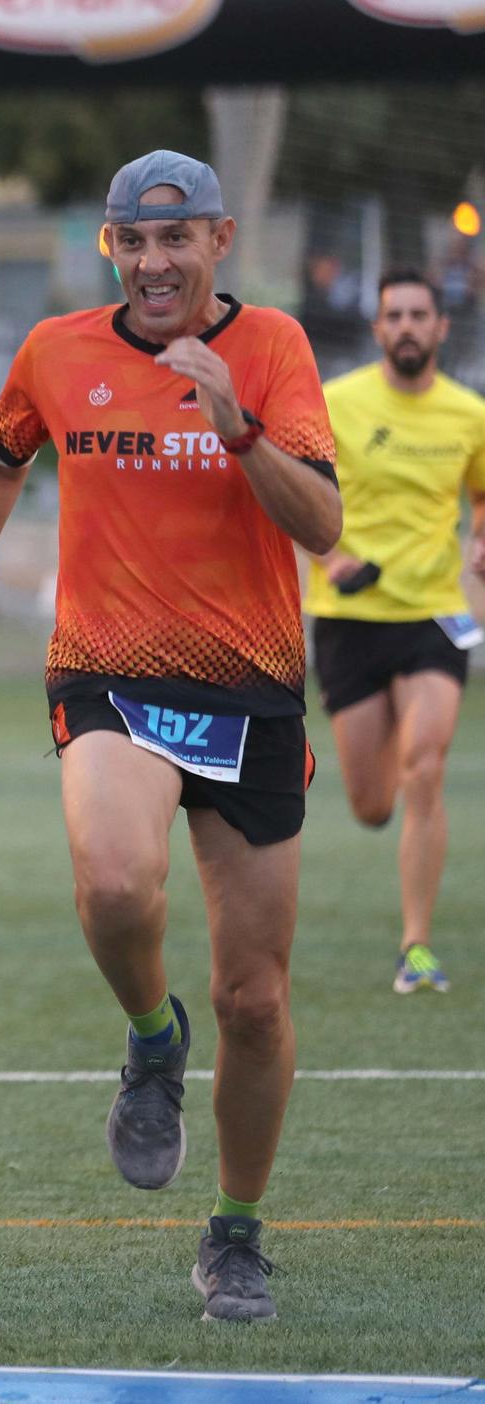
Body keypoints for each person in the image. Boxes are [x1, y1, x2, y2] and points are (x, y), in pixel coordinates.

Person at [0, 151, 340, 1323]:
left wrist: (237, 423)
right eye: (132, 243)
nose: (153, 264)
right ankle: (152, 1039)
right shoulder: (54, 352)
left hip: (251, 691)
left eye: (176, 241)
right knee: (115, 883)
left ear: (217, 242)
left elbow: (320, 523)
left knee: (253, 998)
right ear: (108, 247)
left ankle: (236, 1234)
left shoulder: (272, 351)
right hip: (107, 673)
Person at [305, 269, 485, 994]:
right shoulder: (336, 403)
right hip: (349, 619)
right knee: (373, 803)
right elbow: (293, 490)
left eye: (419, 315)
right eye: (394, 316)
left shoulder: (470, 414)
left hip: (435, 615)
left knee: (426, 768)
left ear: (442, 328)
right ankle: (380, 812)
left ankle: (417, 944)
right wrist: (330, 554)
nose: (407, 326)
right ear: (377, 329)